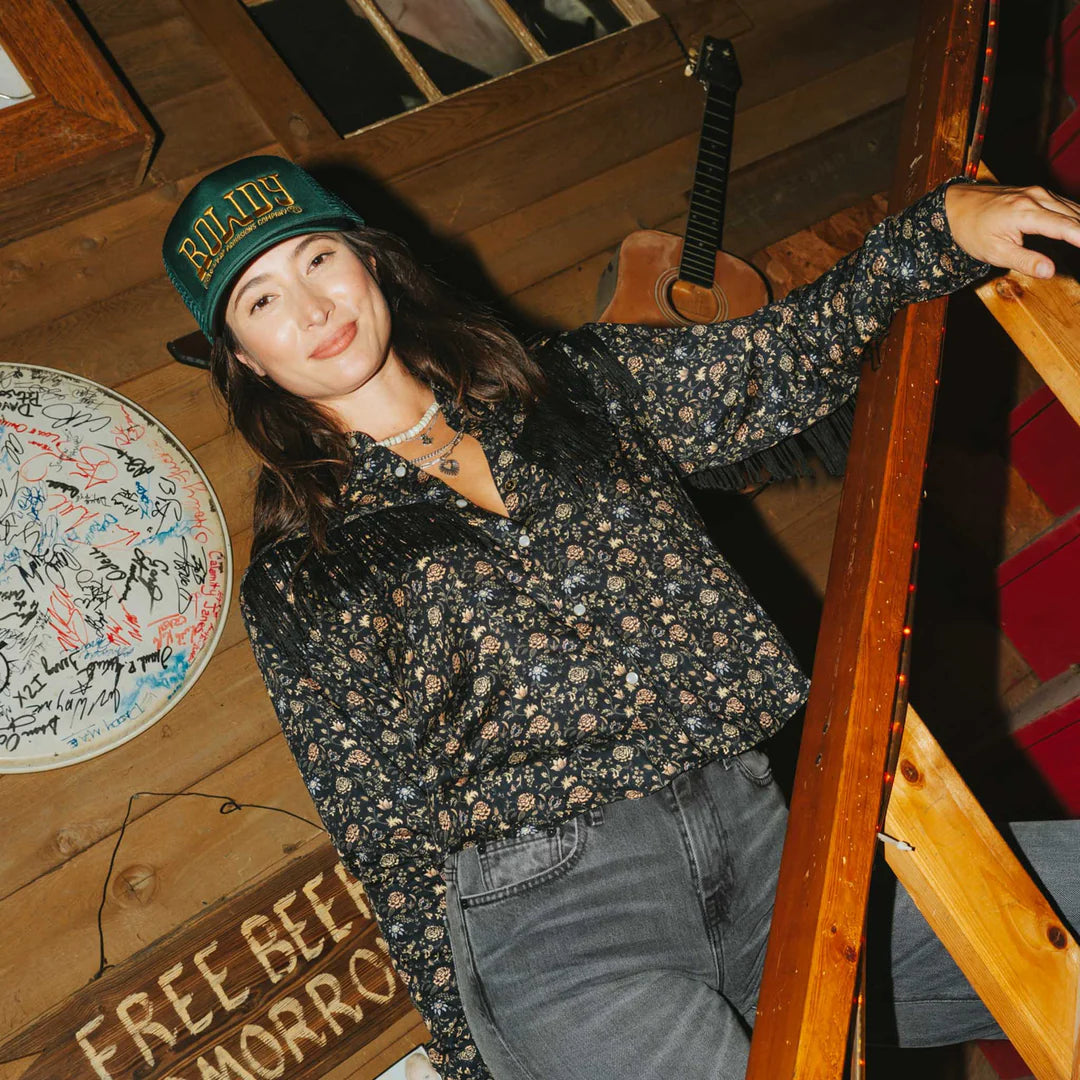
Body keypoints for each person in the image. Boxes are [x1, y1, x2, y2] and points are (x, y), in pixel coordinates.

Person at [162, 155, 1080, 1080]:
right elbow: (383, 829)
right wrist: (463, 1052)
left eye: (317, 259)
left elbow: (779, 363)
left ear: (367, 262)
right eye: (261, 299)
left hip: (769, 843)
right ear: (244, 357)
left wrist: (937, 230)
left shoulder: (574, 386)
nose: (312, 308)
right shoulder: (303, 576)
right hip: (561, 931)